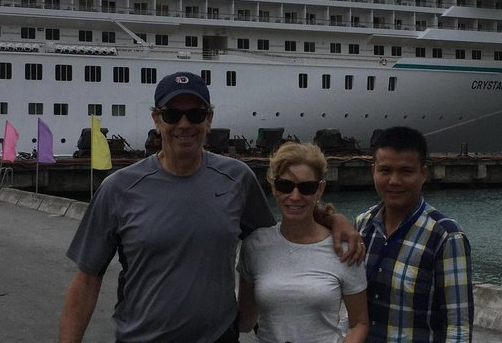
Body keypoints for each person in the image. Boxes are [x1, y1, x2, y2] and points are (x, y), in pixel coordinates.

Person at [59, 71, 363, 343]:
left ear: (209, 119)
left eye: (195, 114)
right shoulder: (119, 188)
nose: (184, 124)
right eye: (172, 115)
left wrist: (333, 219)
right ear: (156, 119)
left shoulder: (236, 178)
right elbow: (87, 278)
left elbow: (281, 232)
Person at [237, 142, 368, 343]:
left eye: (307, 188)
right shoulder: (254, 245)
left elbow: (359, 322)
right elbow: (245, 321)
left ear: (320, 189)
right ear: (274, 187)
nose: (295, 196)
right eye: (285, 186)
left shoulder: (344, 249)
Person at [356, 126, 473, 342]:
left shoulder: (446, 236)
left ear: (423, 174)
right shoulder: (363, 225)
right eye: (385, 170)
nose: (394, 181)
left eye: (405, 171)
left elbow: (458, 326)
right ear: (373, 171)